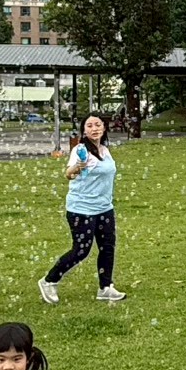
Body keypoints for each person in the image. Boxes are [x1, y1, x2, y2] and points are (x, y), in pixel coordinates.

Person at [38, 111, 126, 305]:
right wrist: (78, 167)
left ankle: (105, 287)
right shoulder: (80, 150)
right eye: (89, 125)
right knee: (81, 250)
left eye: (98, 124)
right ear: (84, 131)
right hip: (81, 209)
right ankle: (49, 281)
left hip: (104, 208)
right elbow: (68, 174)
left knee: (107, 248)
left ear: (104, 128)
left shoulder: (105, 150)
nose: (94, 129)